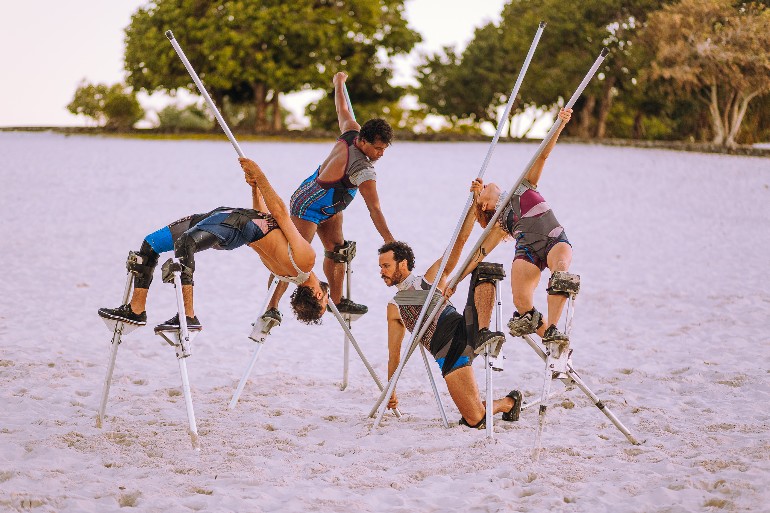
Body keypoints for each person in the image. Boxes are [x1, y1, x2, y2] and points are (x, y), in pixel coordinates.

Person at [98, 157, 329, 331]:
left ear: (318, 295)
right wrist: (254, 188)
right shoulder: (285, 275)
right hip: (222, 217)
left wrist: (260, 174)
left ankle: (188, 316)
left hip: (233, 227)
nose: (327, 298)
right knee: (150, 244)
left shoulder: (305, 261)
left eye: (326, 301)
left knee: (185, 243)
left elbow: (281, 214)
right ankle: (137, 310)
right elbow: (265, 218)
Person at [261, 71, 396, 328]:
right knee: (291, 261)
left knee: (339, 250)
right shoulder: (362, 170)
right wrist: (389, 241)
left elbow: (343, 108)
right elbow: (374, 208)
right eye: (377, 149)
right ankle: (270, 308)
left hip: (331, 205)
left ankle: (337, 300)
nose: (380, 154)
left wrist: (339, 83)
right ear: (363, 141)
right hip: (308, 206)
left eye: (384, 149)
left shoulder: (352, 131)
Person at [378, 204, 522, 429]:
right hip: (448, 353)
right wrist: (391, 390)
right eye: (381, 267)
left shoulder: (430, 280)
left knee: (484, 271)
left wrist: (474, 205)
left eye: (386, 266)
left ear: (403, 264)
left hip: (466, 327)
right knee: (476, 420)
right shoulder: (394, 307)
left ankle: (484, 334)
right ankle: (508, 403)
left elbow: (459, 242)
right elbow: (394, 354)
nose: (382, 272)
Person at [447, 108, 576, 346]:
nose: (484, 185)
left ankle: (556, 329)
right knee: (522, 302)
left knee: (560, 272)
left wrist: (559, 124)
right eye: (482, 191)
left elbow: (543, 156)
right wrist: (455, 280)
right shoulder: (499, 224)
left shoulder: (524, 186)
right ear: (485, 204)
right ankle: (550, 338)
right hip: (527, 252)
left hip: (554, 240)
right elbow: (478, 254)